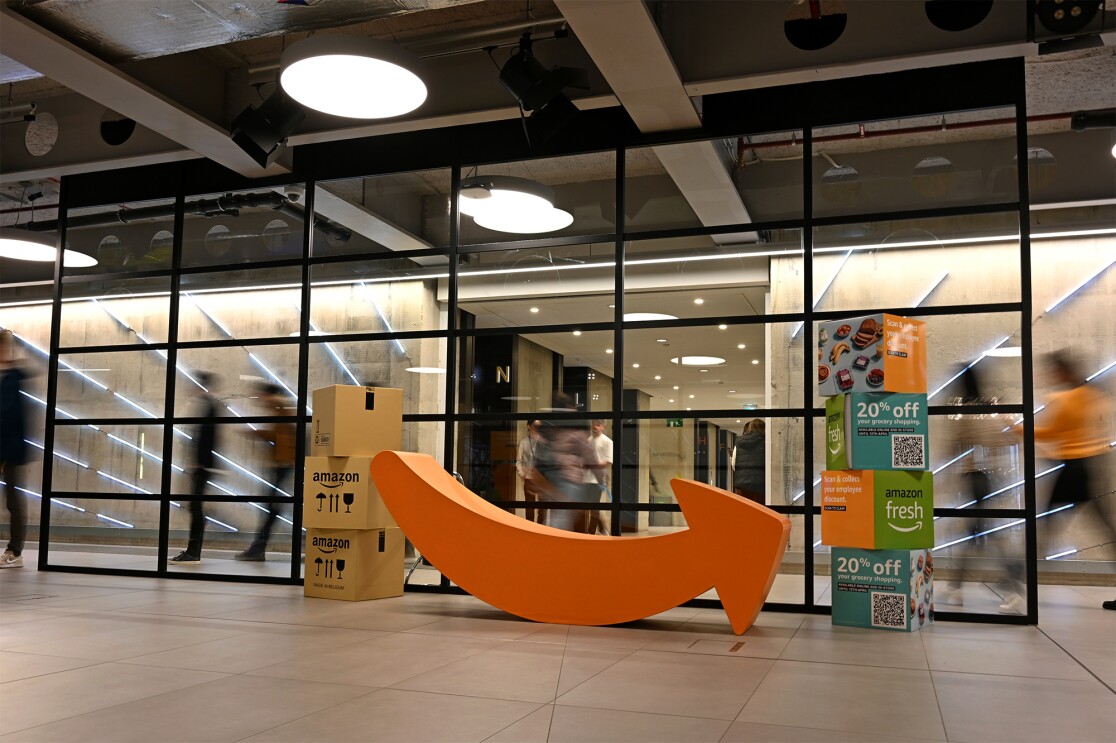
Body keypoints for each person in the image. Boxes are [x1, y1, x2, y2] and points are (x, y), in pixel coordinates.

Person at [1004, 351, 1115, 613]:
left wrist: (1016, 427)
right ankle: (1016, 575)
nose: (1049, 376)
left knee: (1045, 527)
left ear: (1064, 372)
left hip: (1073, 470)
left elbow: (1053, 433)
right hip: (1089, 467)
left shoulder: (1066, 399)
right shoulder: (1093, 394)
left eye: (1053, 371)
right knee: (1106, 529)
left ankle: (1016, 576)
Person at [938, 366, 1014, 606]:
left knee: (981, 532)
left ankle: (1015, 584)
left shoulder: (966, 412)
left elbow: (953, 446)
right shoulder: (989, 409)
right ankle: (956, 585)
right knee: (979, 532)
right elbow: (1000, 442)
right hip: (989, 477)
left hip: (974, 478)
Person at [237, 383, 296, 561]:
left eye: (262, 395)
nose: (260, 399)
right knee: (272, 509)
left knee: (272, 509)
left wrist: (256, 433)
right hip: (281, 466)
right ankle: (258, 548)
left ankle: (258, 549)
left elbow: (283, 436)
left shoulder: (282, 408)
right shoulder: (282, 411)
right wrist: (257, 434)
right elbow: (278, 435)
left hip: (282, 466)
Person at [171, 372, 220, 564]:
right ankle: (193, 550)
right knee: (195, 506)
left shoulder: (209, 406)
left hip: (204, 465)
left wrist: (199, 462)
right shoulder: (208, 406)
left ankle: (193, 552)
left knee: (195, 506)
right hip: (204, 465)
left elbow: (207, 439)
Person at [533, 392, 597, 533]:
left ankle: (552, 545)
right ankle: (556, 548)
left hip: (547, 479)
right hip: (568, 479)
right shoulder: (576, 431)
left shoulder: (546, 429)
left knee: (555, 516)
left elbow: (538, 455)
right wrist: (601, 477)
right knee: (561, 518)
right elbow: (590, 456)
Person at [0, 330, 29, 569]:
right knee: (13, 501)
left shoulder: (13, 378)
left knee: (13, 502)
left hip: (9, 450)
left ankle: (15, 550)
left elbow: (11, 417)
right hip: (6, 448)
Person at [583, 419, 613, 535]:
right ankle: (602, 528)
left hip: (598, 480)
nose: (595, 427)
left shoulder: (607, 442)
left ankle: (591, 532)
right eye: (593, 425)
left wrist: (593, 464)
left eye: (598, 425)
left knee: (594, 505)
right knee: (592, 506)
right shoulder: (588, 441)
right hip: (586, 479)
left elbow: (608, 461)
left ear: (602, 427)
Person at [732, 419, 766, 505]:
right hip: (761, 481)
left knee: (747, 508)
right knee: (762, 509)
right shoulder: (766, 441)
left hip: (742, 482)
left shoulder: (739, 442)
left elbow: (733, 464)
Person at [516, 420, 543, 524]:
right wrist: (522, 474)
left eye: (539, 426)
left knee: (542, 509)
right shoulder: (524, 442)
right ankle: (530, 530)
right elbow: (519, 461)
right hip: (529, 479)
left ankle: (541, 531)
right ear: (529, 426)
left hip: (541, 479)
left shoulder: (543, 442)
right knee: (530, 508)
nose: (538, 428)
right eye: (535, 425)